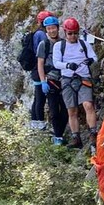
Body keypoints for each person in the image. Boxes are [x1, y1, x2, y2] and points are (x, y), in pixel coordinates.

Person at [53, 17, 98, 148]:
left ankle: (93, 133)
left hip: (83, 77)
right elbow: (56, 63)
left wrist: (90, 60)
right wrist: (67, 65)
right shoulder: (59, 46)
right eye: (70, 33)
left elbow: (94, 57)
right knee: (72, 110)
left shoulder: (84, 44)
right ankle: (76, 137)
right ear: (65, 33)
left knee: (88, 105)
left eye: (75, 33)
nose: (73, 36)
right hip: (67, 79)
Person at [37, 16, 69, 145]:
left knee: (66, 110)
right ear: (46, 30)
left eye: (53, 28)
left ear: (58, 28)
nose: (51, 31)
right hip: (51, 80)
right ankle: (58, 136)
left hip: (65, 79)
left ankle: (59, 134)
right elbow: (40, 64)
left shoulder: (64, 43)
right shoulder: (43, 44)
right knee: (54, 111)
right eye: (49, 29)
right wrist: (42, 81)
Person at [29, 10, 54, 130]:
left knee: (37, 97)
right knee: (40, 97)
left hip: (35, 68)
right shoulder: (42, 35)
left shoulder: (37, 33)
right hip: (40, 68)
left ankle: (35, 121)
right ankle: (39, 122)